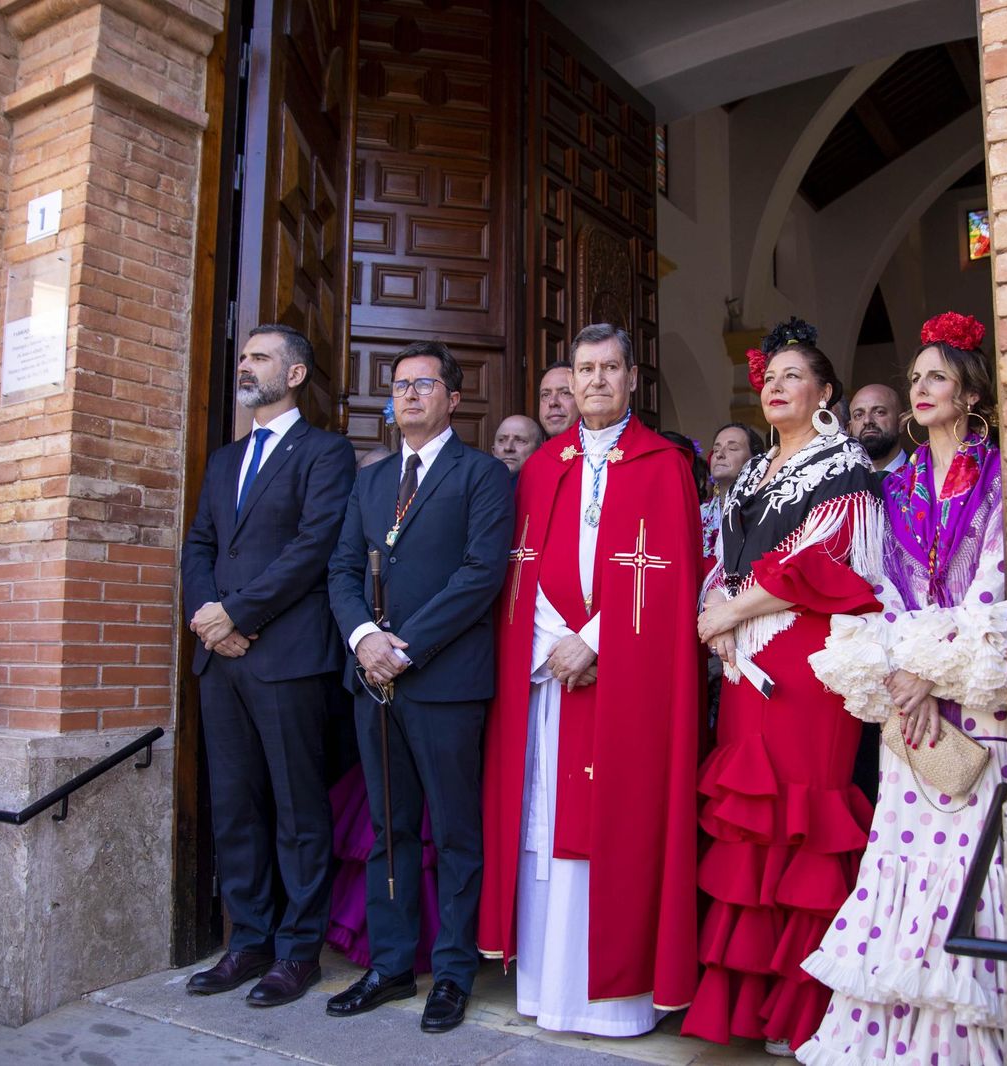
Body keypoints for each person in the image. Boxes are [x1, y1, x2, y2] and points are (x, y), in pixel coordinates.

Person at [479, 323, 701, 1037]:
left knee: (622, 821)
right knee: (546, 826)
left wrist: (595, 641)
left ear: (634, 378)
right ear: (569, 382)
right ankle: (551, 987)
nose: (597, 381)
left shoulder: (666, 464)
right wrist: (554, 646)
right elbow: (522, 568)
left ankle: (617, 997)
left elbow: (671, 581)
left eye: (610, 368)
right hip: (553, 679)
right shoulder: (544, 465)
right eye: (585, 369)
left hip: (626, 686)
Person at [798, 312, 1007, 1066]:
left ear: (969, 391)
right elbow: (877, 584)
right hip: (906, 709)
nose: (920, 389)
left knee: (969, 863)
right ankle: (891, 1044)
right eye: (914, 377)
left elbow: (994, 586)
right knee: (901, 855)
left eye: (935, 378)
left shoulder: (997, 478)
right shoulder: (900, 484)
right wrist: (892, 668)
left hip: (971, 696)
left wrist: (933, 669)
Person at [681, 318, 885, 1057]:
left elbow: (828, 558)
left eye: (793, 376)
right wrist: (718, 611)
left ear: (825, 392)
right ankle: (749, 1003)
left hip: (807, 663)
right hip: (743, 666)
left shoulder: (846, 466)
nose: (774, 385)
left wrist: (731, 609)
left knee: (803, 822)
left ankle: (809, 1009)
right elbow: (725, 559)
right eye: (769, 377)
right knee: (748, 823)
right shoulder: (755, 474)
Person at [326, 342, 515, 1034]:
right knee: (388, 831)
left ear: (453, 400)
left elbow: (479, 574)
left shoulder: (484, 476)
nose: (408, 395)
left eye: (424, 384)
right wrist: (362, 640)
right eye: (400, 385)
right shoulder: (372, 481)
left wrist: (400, 648)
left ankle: (455, 973)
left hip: (444, 684)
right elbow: (342, 570)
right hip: (372, 684)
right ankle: (390, 964)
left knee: (457, 834)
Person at [180, 323, 356, 1007]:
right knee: (235, 807)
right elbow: (199, 544)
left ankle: (297, 950)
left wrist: (238, 615)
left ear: (295, 374)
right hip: (221, 659)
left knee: (296, 809)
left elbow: (312, 549)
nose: (244, 365)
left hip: (286, 656)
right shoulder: (224, 460)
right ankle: (247, 940)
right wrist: (207, 615)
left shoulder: (326, 453)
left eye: (259, 357)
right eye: (244, 355)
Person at [704, 423, 766, 559]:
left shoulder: (766, 511)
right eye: (715, 449)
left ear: (755, 459)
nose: (720, 454)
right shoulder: (698, 514)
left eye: (732, 448)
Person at [846, 384, 906, 476]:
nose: (867, 420)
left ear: (901, 422)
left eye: (879, 412)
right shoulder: (839, 481)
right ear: (849, 428)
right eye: (859, 415)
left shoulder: (925, 475)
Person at [536, 361, 578, 438]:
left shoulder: (604, 449)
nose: (552, 402)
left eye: (565, 393)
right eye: (545, 395)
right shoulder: (540, 450)